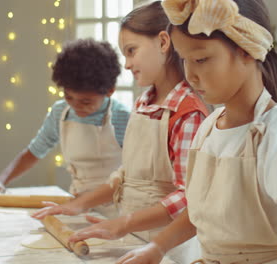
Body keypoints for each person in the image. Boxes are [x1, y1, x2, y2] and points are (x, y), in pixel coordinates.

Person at [116, 0, 277, 263]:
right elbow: (201, 214)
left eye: (201, 59)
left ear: (247, 50)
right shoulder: (208, 129)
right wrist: (156, 248)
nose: (190, 75)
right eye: (184, 59)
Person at [32, 1, 208, 262]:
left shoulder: (188, 113)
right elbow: (125, 174)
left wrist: (124, 223)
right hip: (134, 239)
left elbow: (187, 197)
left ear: (163, 43)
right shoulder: (143, 102)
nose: (127, 64)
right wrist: (77, 205)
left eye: (131, 51)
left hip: (169, 249)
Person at [0, 39, 130, 217]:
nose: (76, 106)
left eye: (86, 101)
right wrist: (0, 181)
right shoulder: (60, 112)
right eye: (69, 97)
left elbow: (132, 175)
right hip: (77, 206)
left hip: (118, 210)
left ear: (110, 91)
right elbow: (34, 151)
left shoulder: (122, 117)